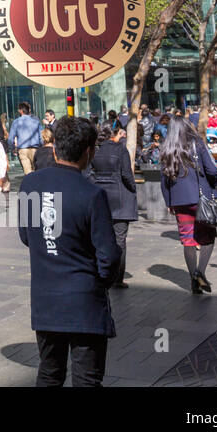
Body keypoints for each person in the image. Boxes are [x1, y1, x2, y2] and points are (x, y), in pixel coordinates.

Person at [18, 117, 120, 387]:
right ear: (89, 152)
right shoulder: (92, 194)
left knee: (49, 374)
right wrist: (99, 281)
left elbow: (26, 236)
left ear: (54, 149)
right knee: (87, 379)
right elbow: (109, 256)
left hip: (46, 299)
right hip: (84, 302)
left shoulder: (30, 185)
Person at [158, 116, 217, 295]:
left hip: (179, 200)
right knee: (208, 237)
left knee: (188, 239)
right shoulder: (197, 143)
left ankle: (194, 281)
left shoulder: (167, 148)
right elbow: (211, 169)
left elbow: (164, 180)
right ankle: (199, 272)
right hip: (201, 198)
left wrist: (169, 202)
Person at [85, 123, 137, 289]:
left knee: (101, 238)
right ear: (114, 134)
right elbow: (127, 175)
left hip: (101, 200)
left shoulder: (95, 151)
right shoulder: (120, 150)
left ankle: (102, 272)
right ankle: (118, 278)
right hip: (120, 200)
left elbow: (88, 174)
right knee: (120, 240)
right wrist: (134, 189)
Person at [9, 102, 42, 174]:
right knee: (37, 171)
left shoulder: (16, 122)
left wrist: (13, 149)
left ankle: (31, 184)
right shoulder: (36, 121)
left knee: (28, 173)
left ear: (20, 111)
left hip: (23, 150)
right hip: (35, 149)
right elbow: (41, 137)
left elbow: (11, 139)